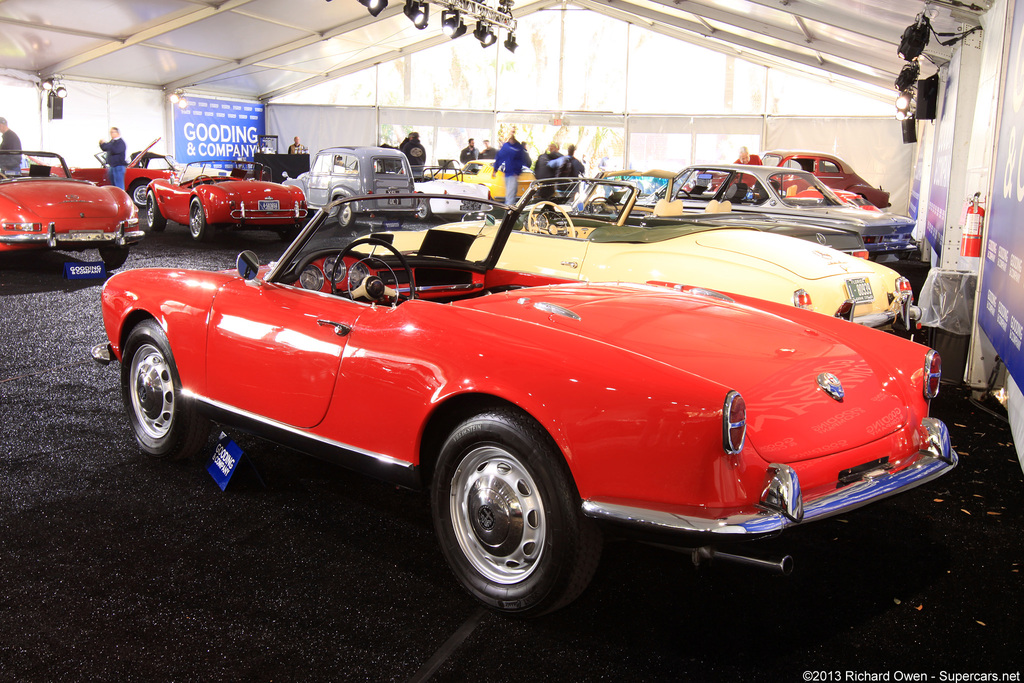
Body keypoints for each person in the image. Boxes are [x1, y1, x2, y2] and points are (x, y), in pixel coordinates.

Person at [494, 135, 530, 203]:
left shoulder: (509, 147)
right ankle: (508, 210)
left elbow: (500, 157)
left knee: (510, 195)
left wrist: (495, 169)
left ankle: (508, 210)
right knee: (511, 195)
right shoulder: (516, 148)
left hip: (510, 173)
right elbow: (524, 160)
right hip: (511, 174)